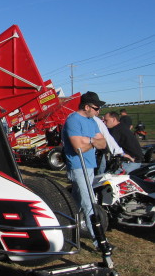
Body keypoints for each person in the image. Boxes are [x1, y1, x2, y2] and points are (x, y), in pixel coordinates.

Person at [61, 91, 106, 246]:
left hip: (90, 165)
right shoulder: (73, 120)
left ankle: (64, 227)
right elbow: (78, 147)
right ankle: (98, 240)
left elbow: (103, 143)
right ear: (86, 107)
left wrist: (89, 140)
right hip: (78, 166)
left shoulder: (92, 121)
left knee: (76, 201)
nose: (98, 111)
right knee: (89, 202)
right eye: (96, 108)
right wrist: (93, 141)